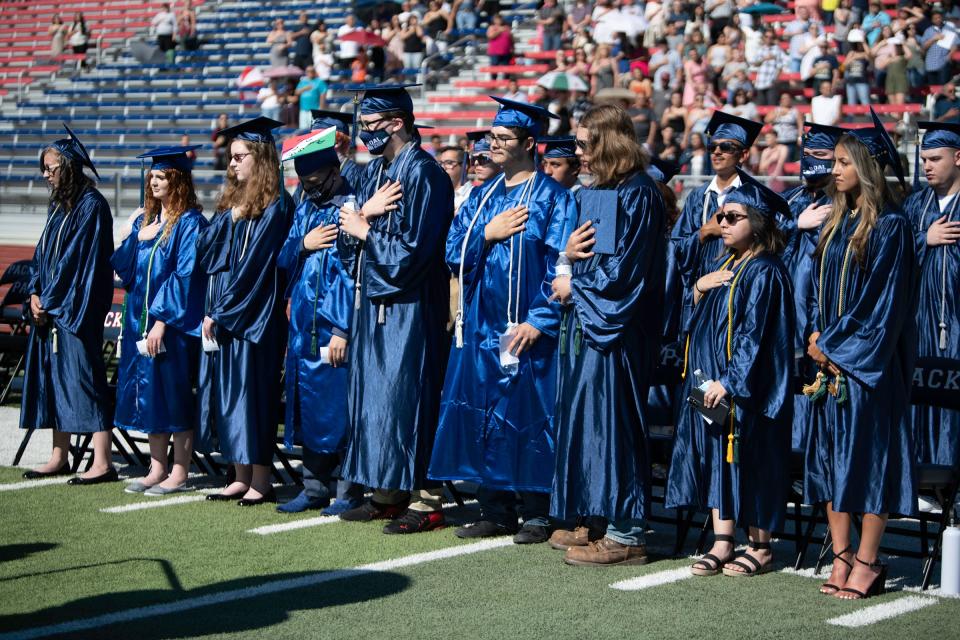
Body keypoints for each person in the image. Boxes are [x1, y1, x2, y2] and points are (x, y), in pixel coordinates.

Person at [429, 99, 576, 544]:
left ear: (529, 144)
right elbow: (452, 253)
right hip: (480, 327)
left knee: (531, 416)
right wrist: (485, 234)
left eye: (503, 138)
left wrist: (538, 319)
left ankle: (536, 510)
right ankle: (494, 507)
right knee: (485, 412)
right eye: (491, 137)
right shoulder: (482, 196)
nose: (492, 144)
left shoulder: (555, 198)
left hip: (526, 329)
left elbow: (561, 263)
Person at [803, 111, 917, 600]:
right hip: (828, 362)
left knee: (869, 461)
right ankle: (842, 555)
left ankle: (868, 562)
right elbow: (815, 289)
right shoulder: (835, 221)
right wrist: (813, 334)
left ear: (867, 167)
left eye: (845, 162)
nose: (835, 170)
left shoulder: (891, 226)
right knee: (830, 460)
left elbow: (883, 304)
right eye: (835, 162)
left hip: (866, 368)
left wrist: (832, 348)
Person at [548, 104, 666, 566]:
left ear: (607, 143)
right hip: (592, 322)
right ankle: (597, 515)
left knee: (615, 424)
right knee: (590, 421)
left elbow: (624, 276)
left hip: (618, 328)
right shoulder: (602, 190)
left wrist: (574, 285)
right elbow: (588, 256)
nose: (577, 152)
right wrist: (567, 258)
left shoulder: (640, 193)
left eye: (583, 143)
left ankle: (627, 532)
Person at [336, 84, 454, 533]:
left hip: (410, 308)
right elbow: (348, 233)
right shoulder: (375, 173)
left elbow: (415, 253)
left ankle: (426, 501)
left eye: (371, 126)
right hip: (375, 304)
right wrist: (360, 223)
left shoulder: (424, 174)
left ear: (398, 123)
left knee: (410, 398)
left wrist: (365, 229)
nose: (365, 134)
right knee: (378, 399)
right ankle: (387, 490)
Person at [666, 170, 795, 577]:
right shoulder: (729, 263)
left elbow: (756, 336)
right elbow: (701, 322)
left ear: (757, 223)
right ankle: (723, 540)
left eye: (733, 217)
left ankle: (761, 545)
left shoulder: (766, 270)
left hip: (745, 387)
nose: (722, 223)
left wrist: (731, 382)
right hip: (710, 381)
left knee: (751, 459)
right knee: (717, 458)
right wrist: (698, 289)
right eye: (721, 217)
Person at [197, 116, 294, 506]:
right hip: (225, 312)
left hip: (255, 316)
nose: (233, 164)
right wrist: (230, 219)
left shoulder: (277, 206)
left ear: (261, 158)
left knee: (253, 396)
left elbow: (257, 266)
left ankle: (261, 478)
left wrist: (221, 311)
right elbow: (205, 252)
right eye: (231, 158)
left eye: (240, 157)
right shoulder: (230, 205)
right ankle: (238, 473)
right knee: (229, 394)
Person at [274, 127, 362, 514]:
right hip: (303, 327)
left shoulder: (352, 206)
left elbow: (352, 272)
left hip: (334, 327)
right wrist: (303, 244)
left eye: (314, 181)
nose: (308, 188)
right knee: (308, 403)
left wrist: (342, 328)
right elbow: (283, 257)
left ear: (333, 170)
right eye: (303, 182)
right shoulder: (307, 206)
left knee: (340, 407)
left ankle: (346, 490)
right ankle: (312, 488)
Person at [111, 146, 208, 495]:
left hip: (172, 326)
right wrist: (135, 236)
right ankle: (156, 468)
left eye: (160, 176)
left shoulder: (190, 224)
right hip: (139, 322)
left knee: (173, 394)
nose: (153, 182)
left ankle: (180, 471)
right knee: (150, 395)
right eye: (151, 176)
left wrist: (162, 321)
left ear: (177, 180)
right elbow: (123, 269)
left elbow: (185, 276)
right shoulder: (145, 221)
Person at [21, 126, 114, 483]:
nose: (46, 175)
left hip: (76, 310)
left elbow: (77, 263)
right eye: (43, 169)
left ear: (70, 167)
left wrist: (50, 299)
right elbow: (42, 255)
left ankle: (102, 460)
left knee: (86, 380)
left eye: (51, 168)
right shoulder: (59, 206)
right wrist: (33, 291)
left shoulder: (92, 206)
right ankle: (60, 455)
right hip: (52, 309)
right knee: (56, 380)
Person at [671, 111, 762, 332]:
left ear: (743, 155)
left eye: (727, 147)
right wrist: (704, 233)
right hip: (702, 292)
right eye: (713, 147)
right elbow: (676, 248)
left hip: (741, 293)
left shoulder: (756, 197)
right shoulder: (698, 197)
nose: (717, 152)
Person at [780, 122, 841, 450]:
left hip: (822, 318)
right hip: (787, 316)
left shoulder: (843, 204)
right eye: (806, 155)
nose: (810, 161)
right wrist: (794, 224)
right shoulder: (789, 201)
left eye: (820, 155)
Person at [904, 121, 960, 467]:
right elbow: (889, 257)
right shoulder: (914, 205)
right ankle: (923, 478)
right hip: (920, 321)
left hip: (957, 323)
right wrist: (923, 239)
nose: (927, 166)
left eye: (936, 159)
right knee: (920, 398)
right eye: (924, 159)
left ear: (958, 158)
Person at [438, 145, 470, 212]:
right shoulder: (439, 194)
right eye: (441, 163)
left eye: (449, 163)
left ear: (465, 166)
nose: (443, 167)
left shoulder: (473, 195)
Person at [295, 66, 327, 131]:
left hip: (314, 110)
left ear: (314, 72)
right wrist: (304, 88)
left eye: (311, 71)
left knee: (314, 129)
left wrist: (321, 108)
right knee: (303, 130)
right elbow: (296, 92)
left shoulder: (319, 81)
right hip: (303, 110)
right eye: (308, 71)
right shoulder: (303, 81)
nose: (310, 73)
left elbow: (323, 94)